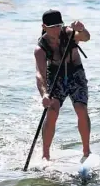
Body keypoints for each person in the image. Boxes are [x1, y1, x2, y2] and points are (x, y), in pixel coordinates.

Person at [34, 9, 91, 161]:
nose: (56, 30)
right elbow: (40, 74)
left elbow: (86, 37)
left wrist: (82, 29)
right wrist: (44, 94)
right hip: (55, 76)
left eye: (58, 26)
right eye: (52, 27)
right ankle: (45, 155)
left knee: (81, 108)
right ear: (44, 27)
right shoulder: (41, 48)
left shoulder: (70, 33)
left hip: (75, 73)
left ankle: (86, 152)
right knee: (52, 110)